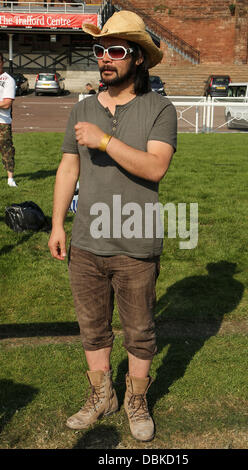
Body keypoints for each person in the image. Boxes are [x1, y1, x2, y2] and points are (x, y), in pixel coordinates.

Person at [48, 10, 177, 442]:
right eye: (100, 50)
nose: (105, 58)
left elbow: (155, 167)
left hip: (136, 241)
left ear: (138, 58)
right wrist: (57, 224)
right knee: (92, 327)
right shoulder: (83, 107)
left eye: (116, 50)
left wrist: (104, 140)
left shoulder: (160, 109)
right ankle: (102, 395)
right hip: (86, 241)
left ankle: (137, 400)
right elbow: (68, 168)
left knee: (139, 329)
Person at [0, 52, 17, 187]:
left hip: (3, 122)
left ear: (2, 62)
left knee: (7, 150)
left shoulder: (8, 80)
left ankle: (10, 179)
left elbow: (6, 104)